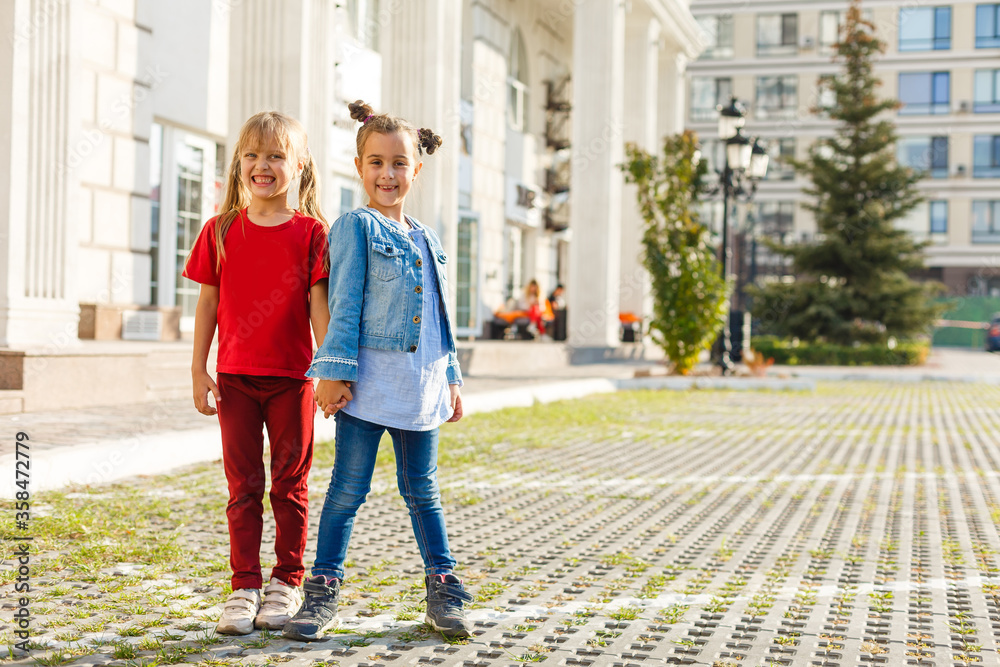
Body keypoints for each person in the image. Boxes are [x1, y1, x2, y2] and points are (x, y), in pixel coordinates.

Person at [282, 100, 472, 642]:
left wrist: (452, 377)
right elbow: (343, 304)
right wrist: (332, 372)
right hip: (366, 390)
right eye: (376, 163)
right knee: (347, 491)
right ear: (360, 166)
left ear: (417, 168)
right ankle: (321, 591)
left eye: (398, 164)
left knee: (424, 492)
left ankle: (443, 588)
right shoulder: (355, 226)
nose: (387, 174)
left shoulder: (428, 237)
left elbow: (439, 316)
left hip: (423, 390)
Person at [184, 111, 333, 636]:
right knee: (242, 486)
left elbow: (319, 305)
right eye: (252, 155)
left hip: (294, 379)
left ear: (299, 166)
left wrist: (331, 369)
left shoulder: (312, 233)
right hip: (235, 380)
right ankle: (244, 587)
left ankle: (286, 583)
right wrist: (199, 368)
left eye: (275, 156)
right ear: (238, 164)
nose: (261, 165)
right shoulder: (220, 230)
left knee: (289, 486)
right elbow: (208, 303)